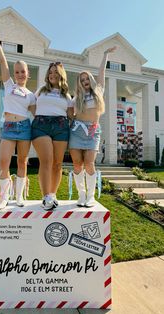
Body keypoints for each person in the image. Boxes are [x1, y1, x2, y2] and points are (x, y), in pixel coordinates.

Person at [0, 23, 36, 209]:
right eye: (17, 72)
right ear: (14, 74)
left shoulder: (31, 95)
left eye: (23, 72)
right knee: (4, 162)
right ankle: (4, 197)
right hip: (8, 127)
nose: (20, 74)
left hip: (24, 128)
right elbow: (2, 61)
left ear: (27, 74)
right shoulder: (9, 85)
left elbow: (38, 113)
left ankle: (20, 196)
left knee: (22, 162)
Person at [69, 47, 117, 207]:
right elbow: (69, 112)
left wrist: (105, 54)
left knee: (89, 163)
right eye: (82, 80)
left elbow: (102, 73)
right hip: (76, 131)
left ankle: (90, 196)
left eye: (86, 79)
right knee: (77, 164)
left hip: (92, 131)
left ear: (91, 79)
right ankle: (81, 195)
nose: (84, 82)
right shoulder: (76, 97)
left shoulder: (98, 91)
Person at [31, 62, 73, 210]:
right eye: (50, 72)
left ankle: (52, 195)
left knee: (57, 164)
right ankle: (46, 196)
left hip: (61, 126)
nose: (52, 75)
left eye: (55, 72)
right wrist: (39, 117)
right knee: (47, 160)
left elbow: (71, 114)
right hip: (41, 126)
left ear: (61, 75)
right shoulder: (41, 91)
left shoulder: (66, 95)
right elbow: (30, 105)